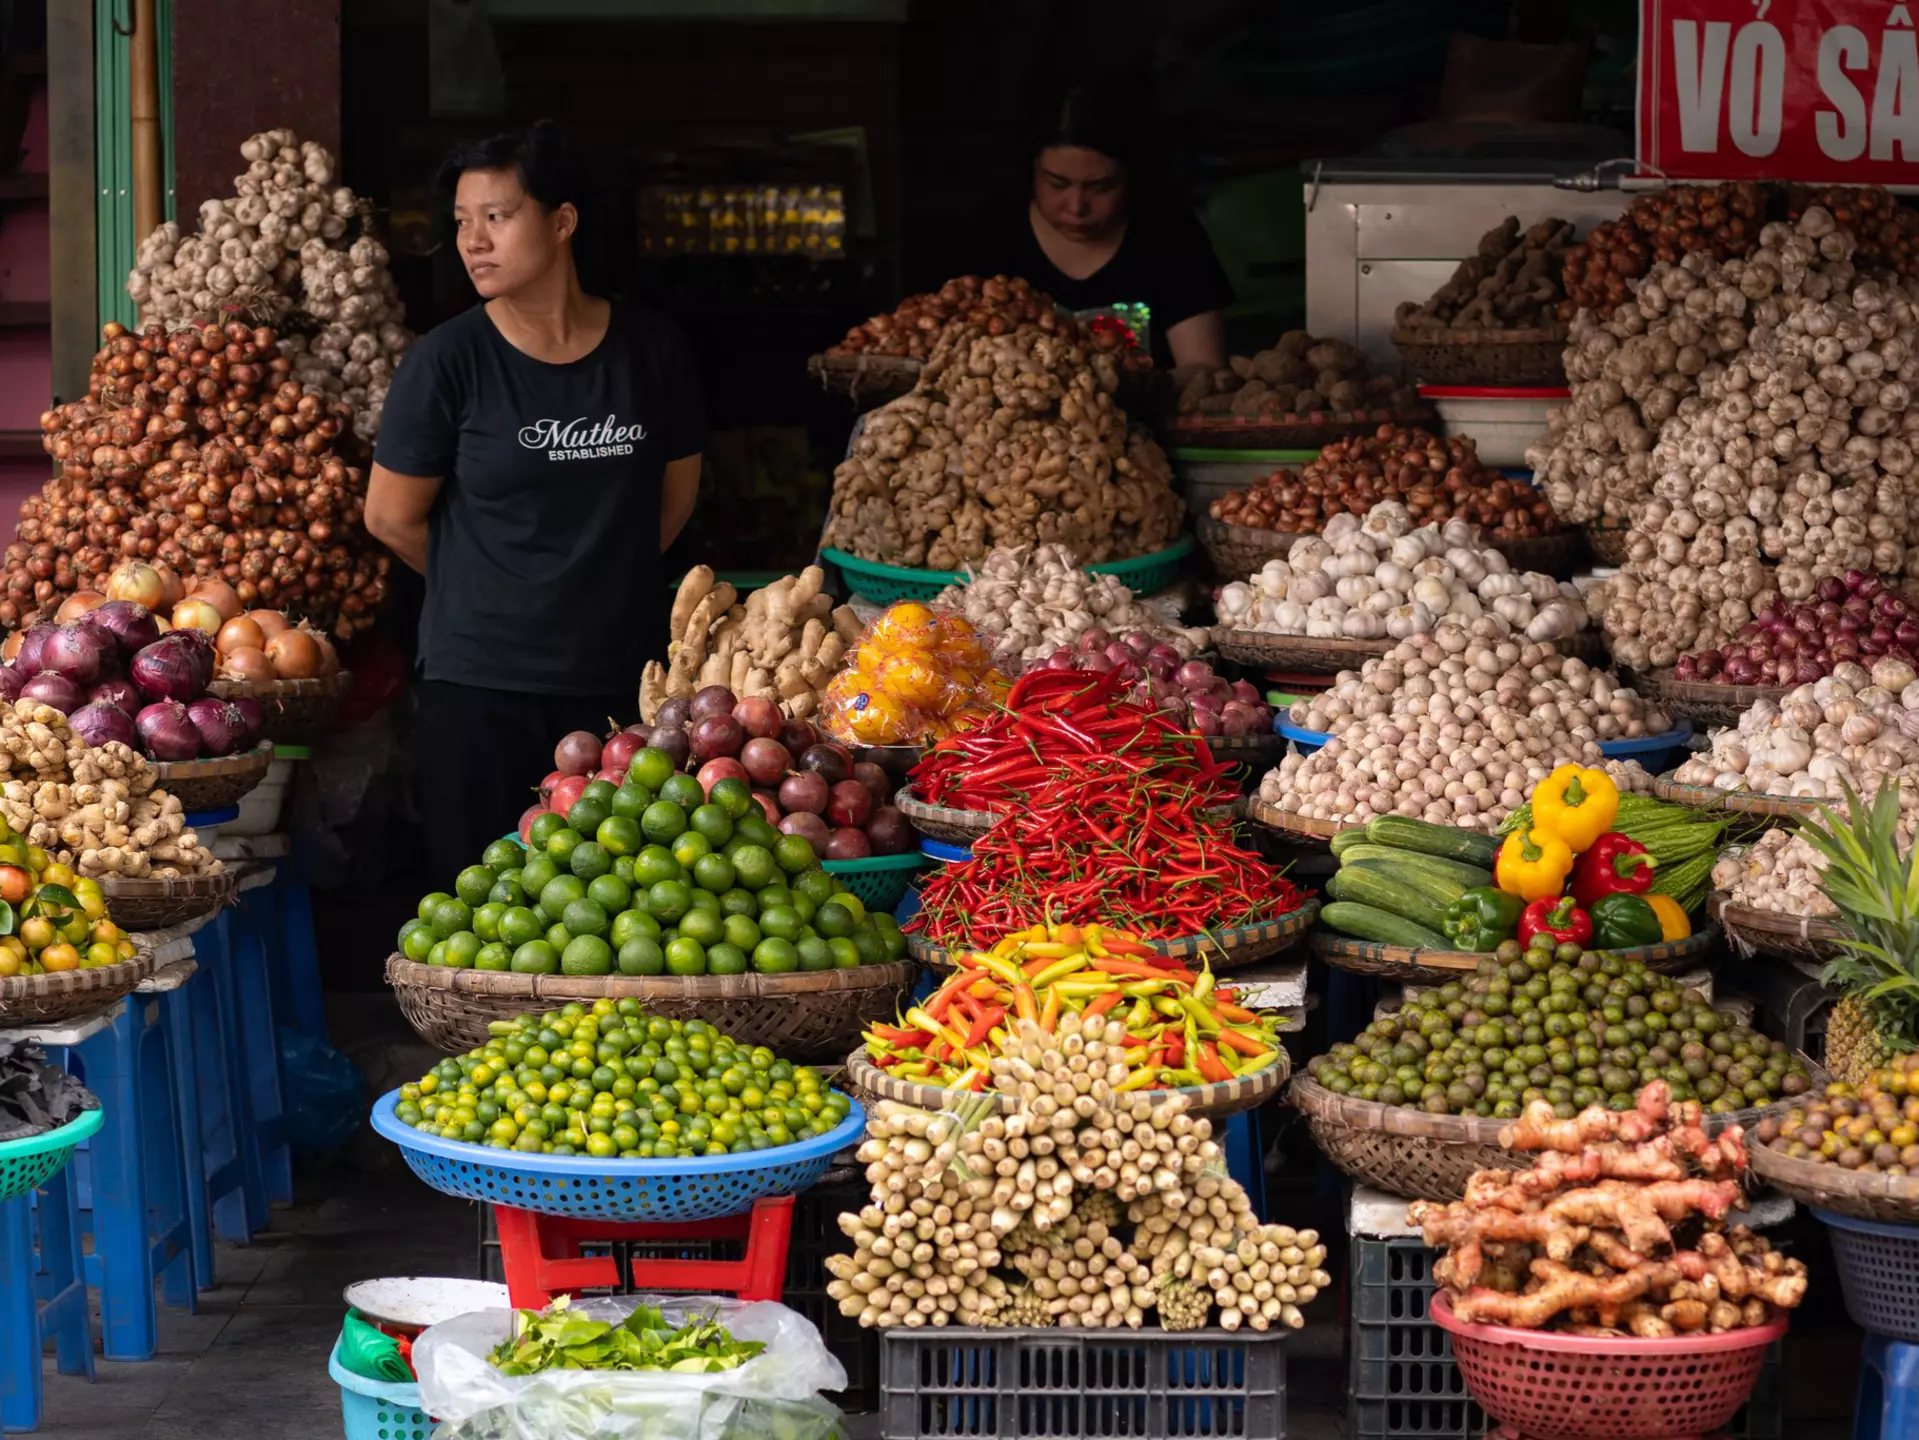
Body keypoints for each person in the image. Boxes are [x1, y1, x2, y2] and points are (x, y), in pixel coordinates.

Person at [366, 121, 706, 885]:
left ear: (561, 222)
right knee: (482, 911)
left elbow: (674, 496)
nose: (472, 240)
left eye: (497, 215)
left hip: (620, 681)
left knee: (616, 906)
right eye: (460, 222)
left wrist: (596, 578)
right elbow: (388, 516)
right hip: (481, 687)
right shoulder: (446, 362)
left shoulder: (649, 350)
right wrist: (493, 583)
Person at [997, 78, 1233, 370]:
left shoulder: (1170, 233)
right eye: (1057, 184)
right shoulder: (995, 234)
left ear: (1131, 177)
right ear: (1032, 169)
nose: (1076, 207)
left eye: (1101, 187)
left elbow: (1202, 367)